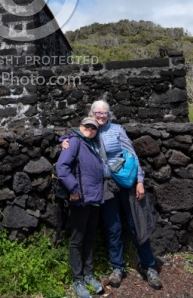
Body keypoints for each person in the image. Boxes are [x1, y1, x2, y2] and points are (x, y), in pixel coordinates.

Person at [88, 98, 162, 290]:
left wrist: (139, 181)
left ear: (109, 114)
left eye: (104, 113)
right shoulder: (89, 130)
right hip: (105, 185)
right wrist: (64, 142)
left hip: (126, 183)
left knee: (137, 224)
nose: (101, 116)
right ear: (92, 114)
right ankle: (117, 267)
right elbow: (72, 138)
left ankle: (149, 266)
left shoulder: (117, 130)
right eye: (98, 112)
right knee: (113, 227)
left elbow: (132, 155)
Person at [56, 116, 105, 298]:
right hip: (81, 199)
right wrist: (74, 189)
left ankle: (88, 274)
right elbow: (62, 168)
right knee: (77, 240)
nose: (90, 130)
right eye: (87, 126)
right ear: (80, 127)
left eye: (93, 128)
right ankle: (77, 280)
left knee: (89, 237)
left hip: (94, 199)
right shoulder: (75, 142)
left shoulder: (92, 145)